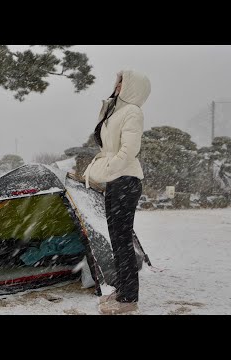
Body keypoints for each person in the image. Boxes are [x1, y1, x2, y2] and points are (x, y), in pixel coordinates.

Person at [83, 70, 151, 315]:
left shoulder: (132, 111)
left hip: (126, 180)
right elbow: (107, 144)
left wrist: (109, 167)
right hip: (116, 180)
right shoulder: (115, 111)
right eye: (117, 81)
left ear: (133, 86)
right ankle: (122, 288)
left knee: (122, 242)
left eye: (123, 81)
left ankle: (129, 298)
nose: (118, 85)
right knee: (116, 240)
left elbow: (129, 149)